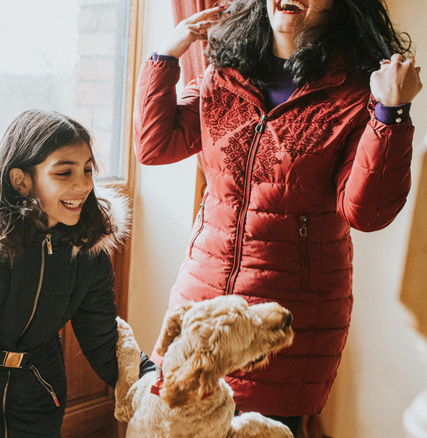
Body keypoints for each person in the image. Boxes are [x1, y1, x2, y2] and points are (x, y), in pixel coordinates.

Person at [134, 0, 422, 436]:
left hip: (286, 317)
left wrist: (391, 114)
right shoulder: (225, 75)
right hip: (202, 301)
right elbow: (155, 145)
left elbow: (366, 211)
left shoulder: (357, 94)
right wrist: (166, 56)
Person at [0, 109, 155, 437]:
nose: (83, 185)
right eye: (64, 173)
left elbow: (102, 338)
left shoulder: (87, 250)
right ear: (22, 180)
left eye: (88, 170)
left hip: (41, 395)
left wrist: (154, 382)